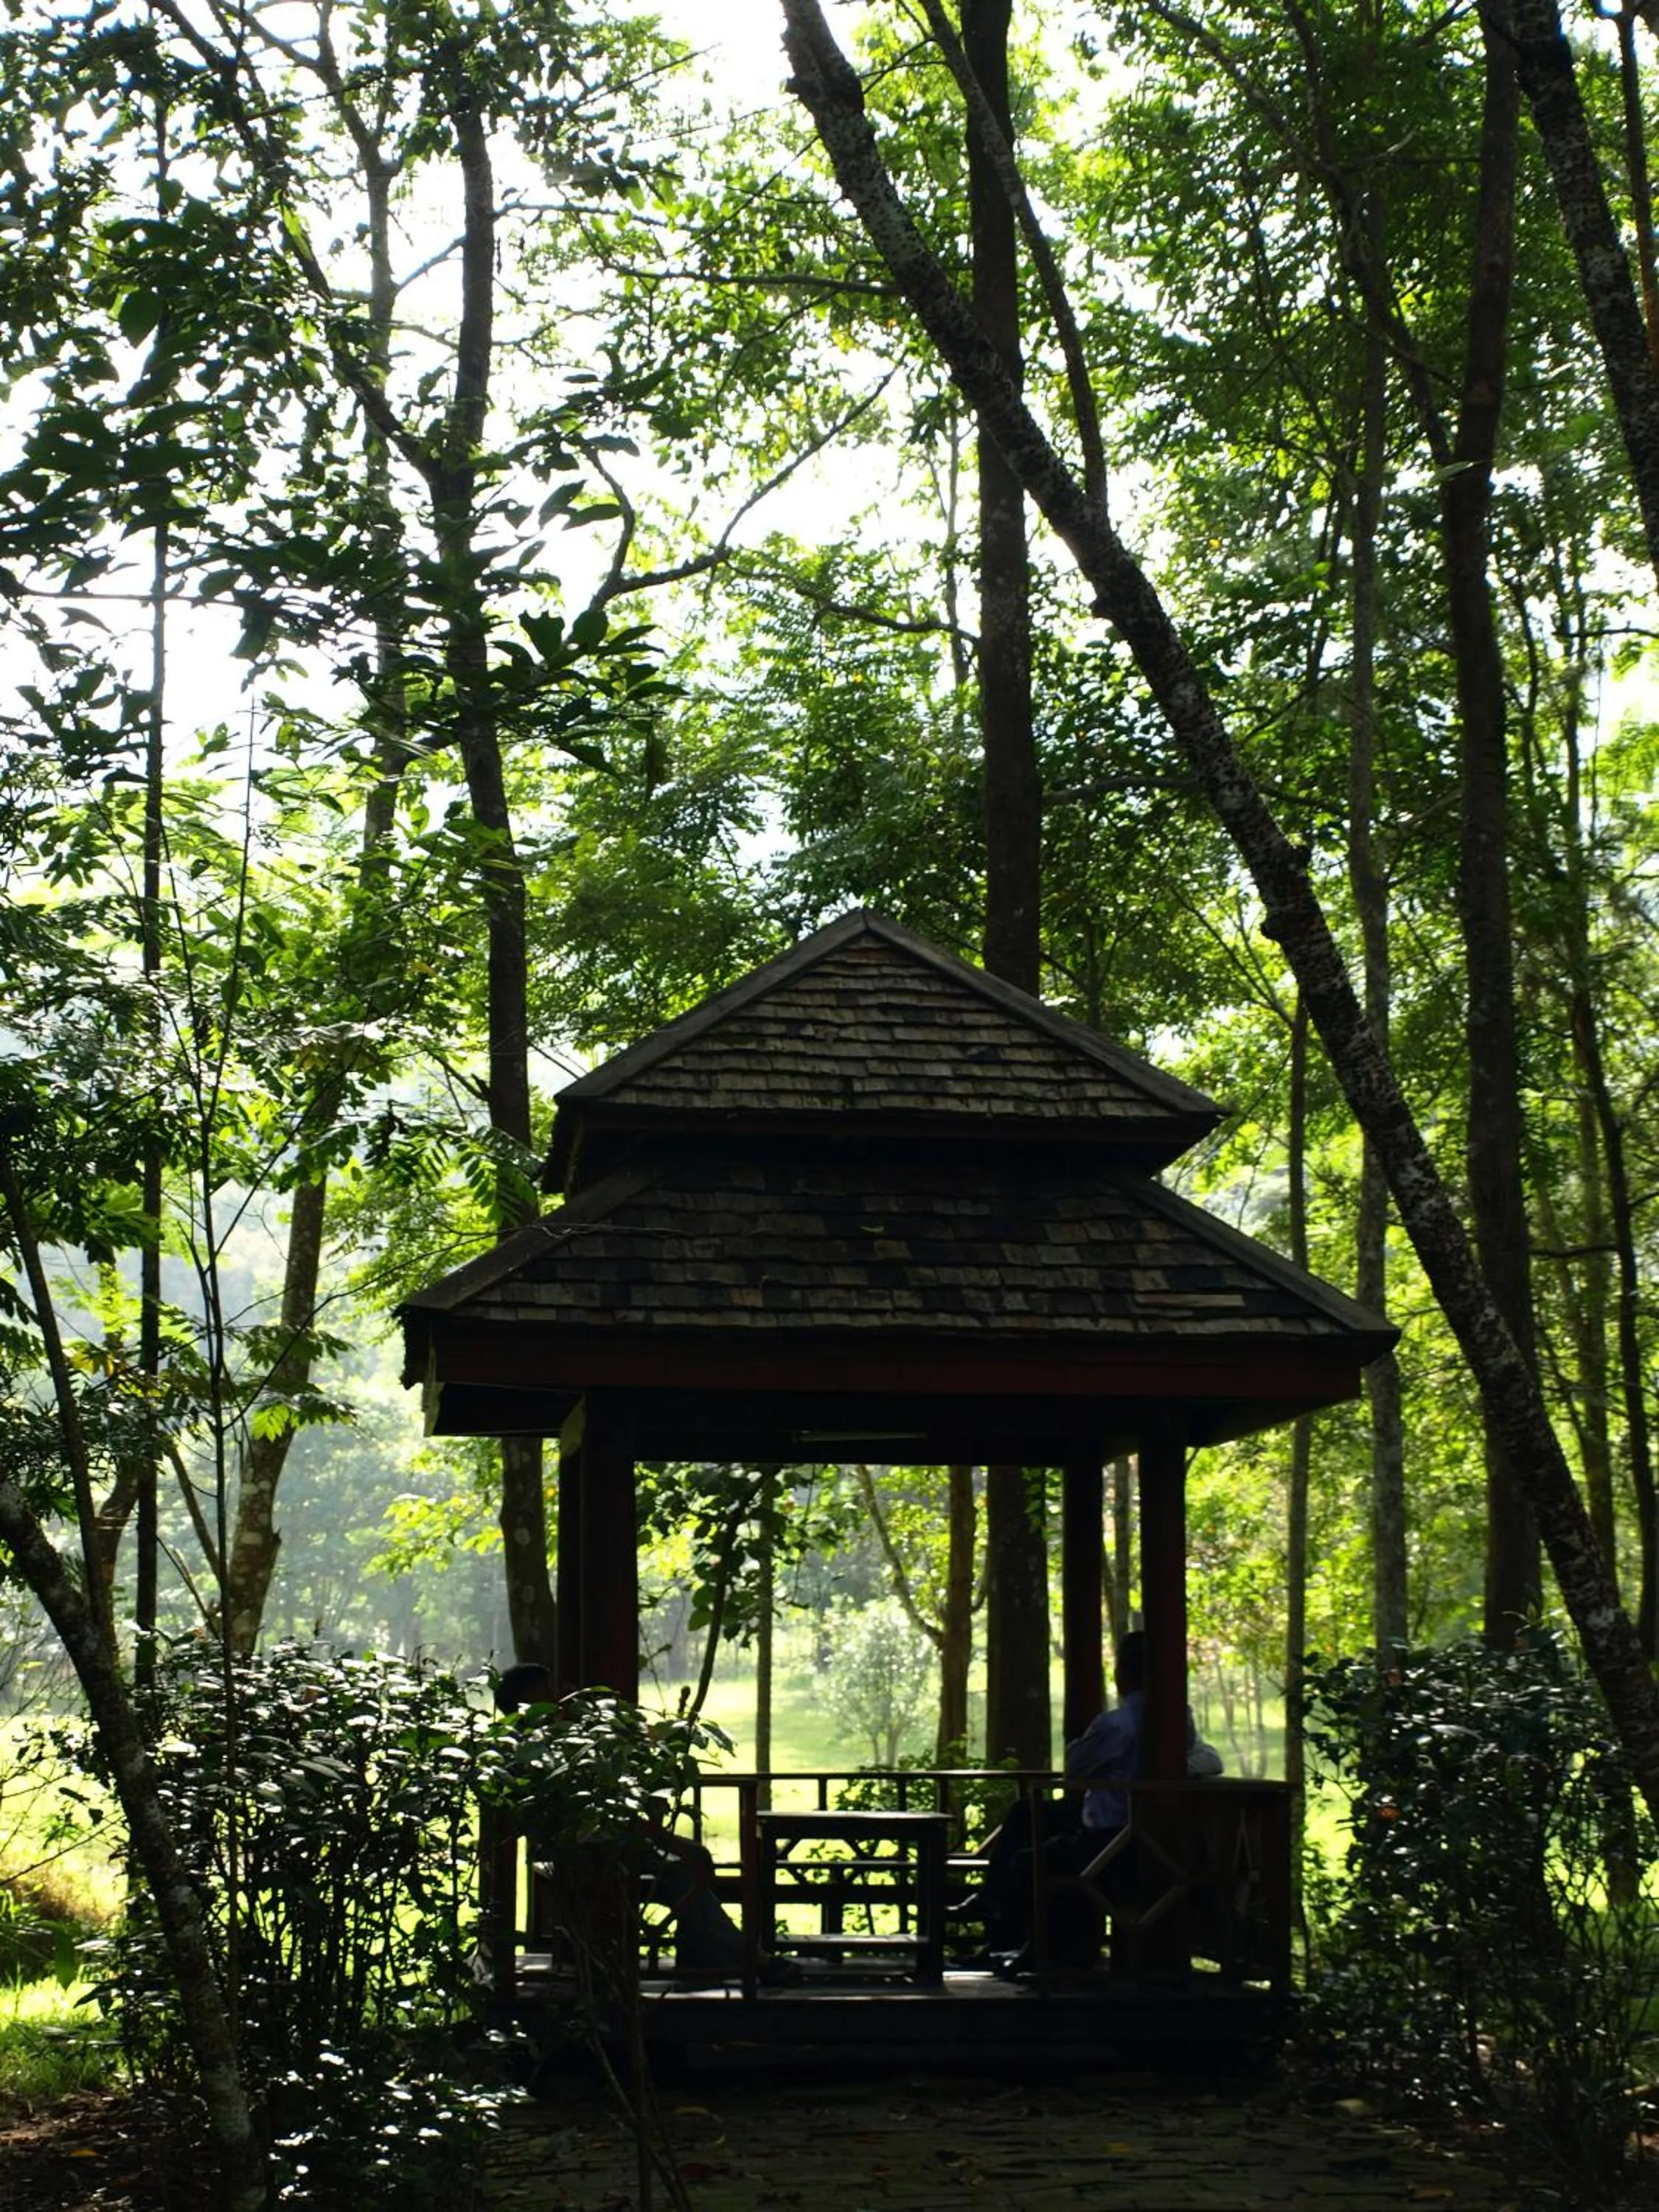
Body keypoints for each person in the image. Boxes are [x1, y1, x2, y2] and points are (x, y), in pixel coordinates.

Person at [973, 1630, 1222, 1969]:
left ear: (1124, 1674)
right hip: (1140, 1833)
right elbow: (1205, 1757)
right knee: (1027, 1814)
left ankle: (1027, 1948)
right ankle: (1001, 1919)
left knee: (1030, 1861)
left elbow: (1075, 1766)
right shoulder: (1179, 1719)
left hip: (1119, 1839)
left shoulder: (1116, 1725)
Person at [493, 1663, 747, 1982]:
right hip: (588, 1851)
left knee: (692, 1863)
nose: (563, 1693)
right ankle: (742, 1958)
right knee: (687, 1868)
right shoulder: (538, 1748)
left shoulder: (554, 1740)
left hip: (601, 1843)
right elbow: (593, 1814)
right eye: (552, 1687)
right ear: (531, 1697)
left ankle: (709, 1959)